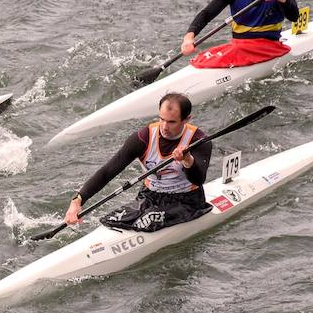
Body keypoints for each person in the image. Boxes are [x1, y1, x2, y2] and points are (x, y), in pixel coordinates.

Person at [63, 92, 212, 231]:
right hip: (149, 196)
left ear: (186, 119)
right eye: (161, 119)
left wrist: (187, 160)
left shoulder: (198, 140)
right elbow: (107, 172)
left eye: (171, 122)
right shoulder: (143, 138)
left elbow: (198, 179)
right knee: (112, 219)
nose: (164, 127)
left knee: (148, 219)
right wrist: (77, 201)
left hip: (187, 200)